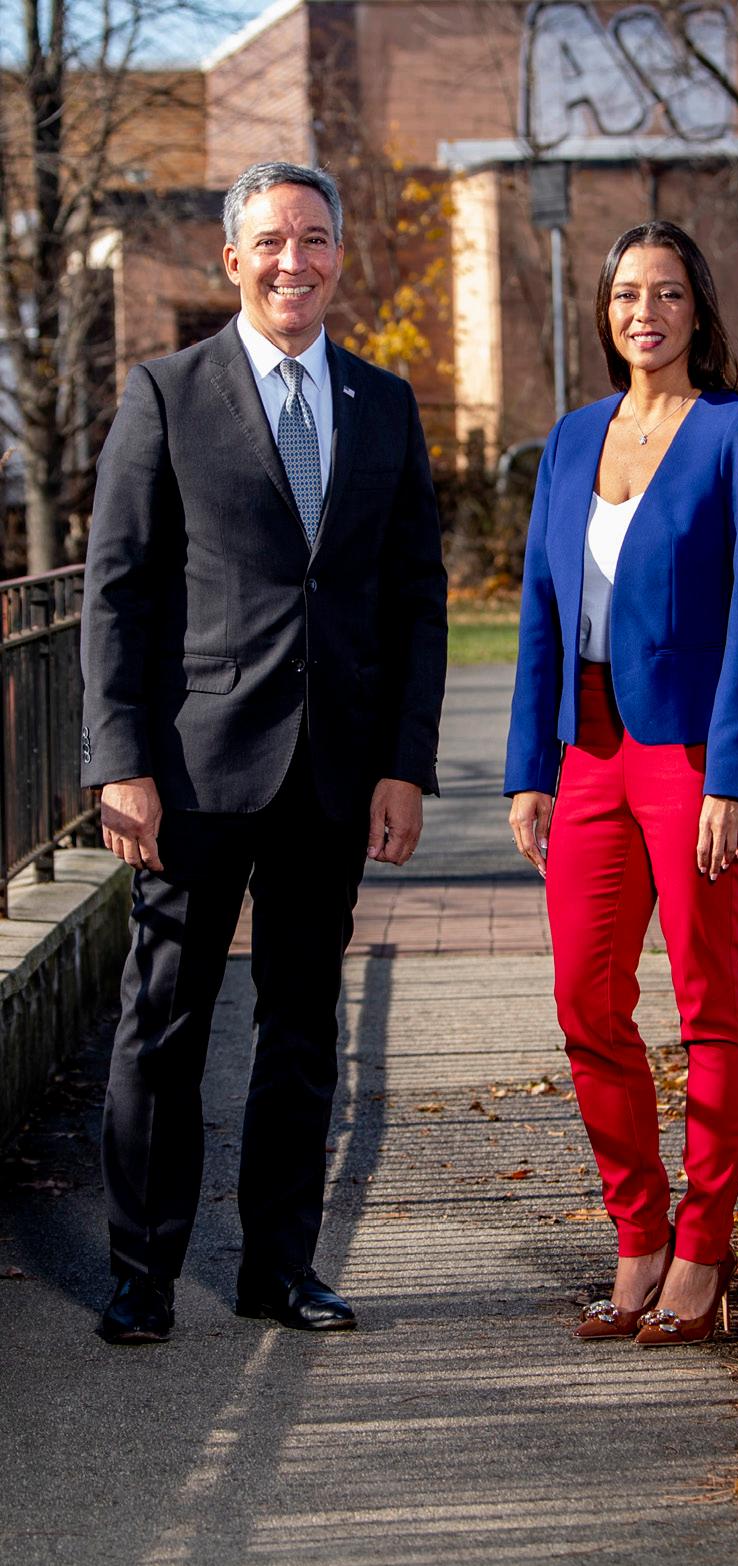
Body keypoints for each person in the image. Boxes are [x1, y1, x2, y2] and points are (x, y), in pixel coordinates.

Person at [81, 160, 448, 1344]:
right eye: (271, 240)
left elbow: (414, 599)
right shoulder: (166, 392)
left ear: (341, 254)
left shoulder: (384, 403)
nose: (295, 259)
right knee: (164, 1023)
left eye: (315, 238)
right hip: (191, 770)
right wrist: (118, 758)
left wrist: (405, 763)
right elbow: (119, 591)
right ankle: (143, 1272)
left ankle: (279, 1269)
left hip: (336, 773)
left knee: (301, 1027)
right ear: (232, 260)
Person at [504, 221, 738, 1345]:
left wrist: (734, 773)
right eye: (628, 294)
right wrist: (531, 763)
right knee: (585, 996)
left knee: (709, 1002)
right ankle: (636, 1234)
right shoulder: (573, 439)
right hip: (584, 753)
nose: (646, 313)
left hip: (685, 757)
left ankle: (703, 1256)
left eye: (668, 293)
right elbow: (539, 607)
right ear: (605, 311)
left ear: (697, 311)